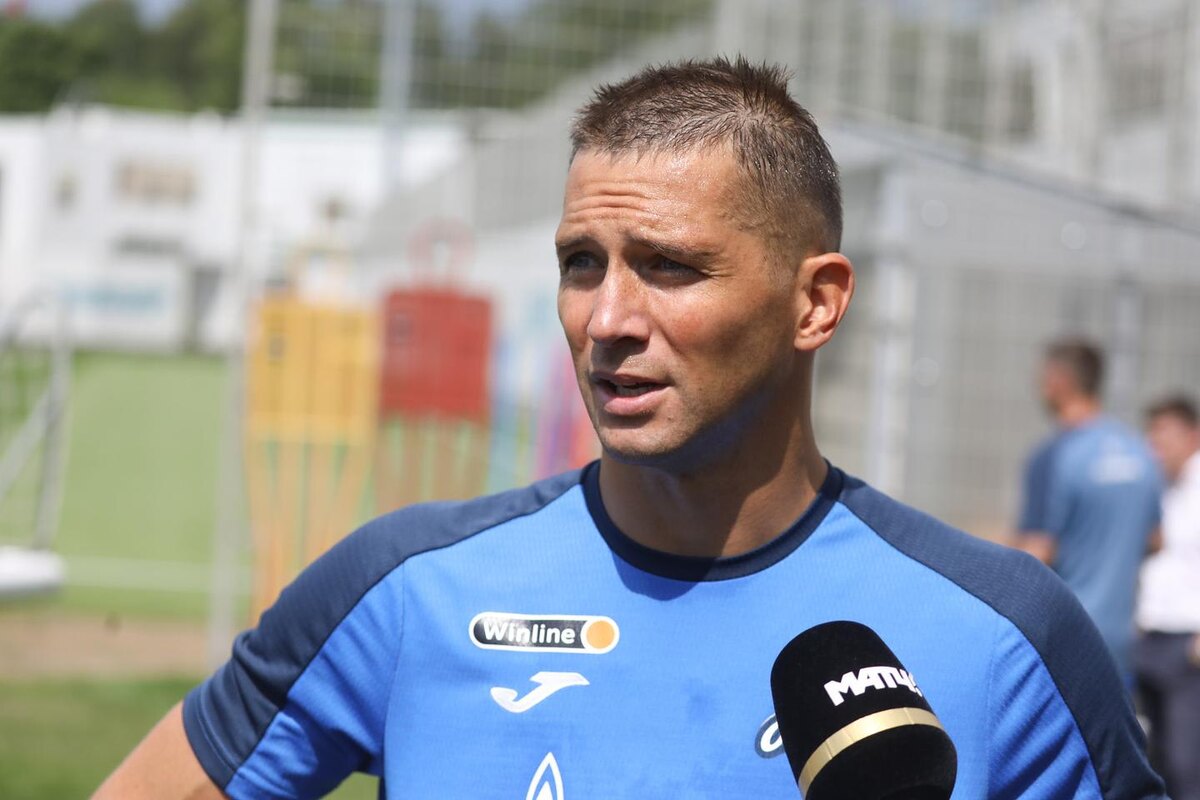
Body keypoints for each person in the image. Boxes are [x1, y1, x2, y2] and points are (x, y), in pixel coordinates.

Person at [96, 58, 1162, 799]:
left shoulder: (1004, 637)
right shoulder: (403, 588)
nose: (606, 319)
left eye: (668, 265)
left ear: (817, 302)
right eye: (580, 263)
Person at [1014, 339, 1162, 681]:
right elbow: (1156, 539)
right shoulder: (1139, 452)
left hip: (1070, 637)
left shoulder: (1054, 456)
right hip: (1123, 637)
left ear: (1058, 382)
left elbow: (1035, 553)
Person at [1137, 395, 1200, 800]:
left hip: (1189, 643)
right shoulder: (1155, 487)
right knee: (1154, 755)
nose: (1157, 446)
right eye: (1153, 435)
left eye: (1166, 435)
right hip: (1149, 637)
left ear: (1193, 436)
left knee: (1185, 762)